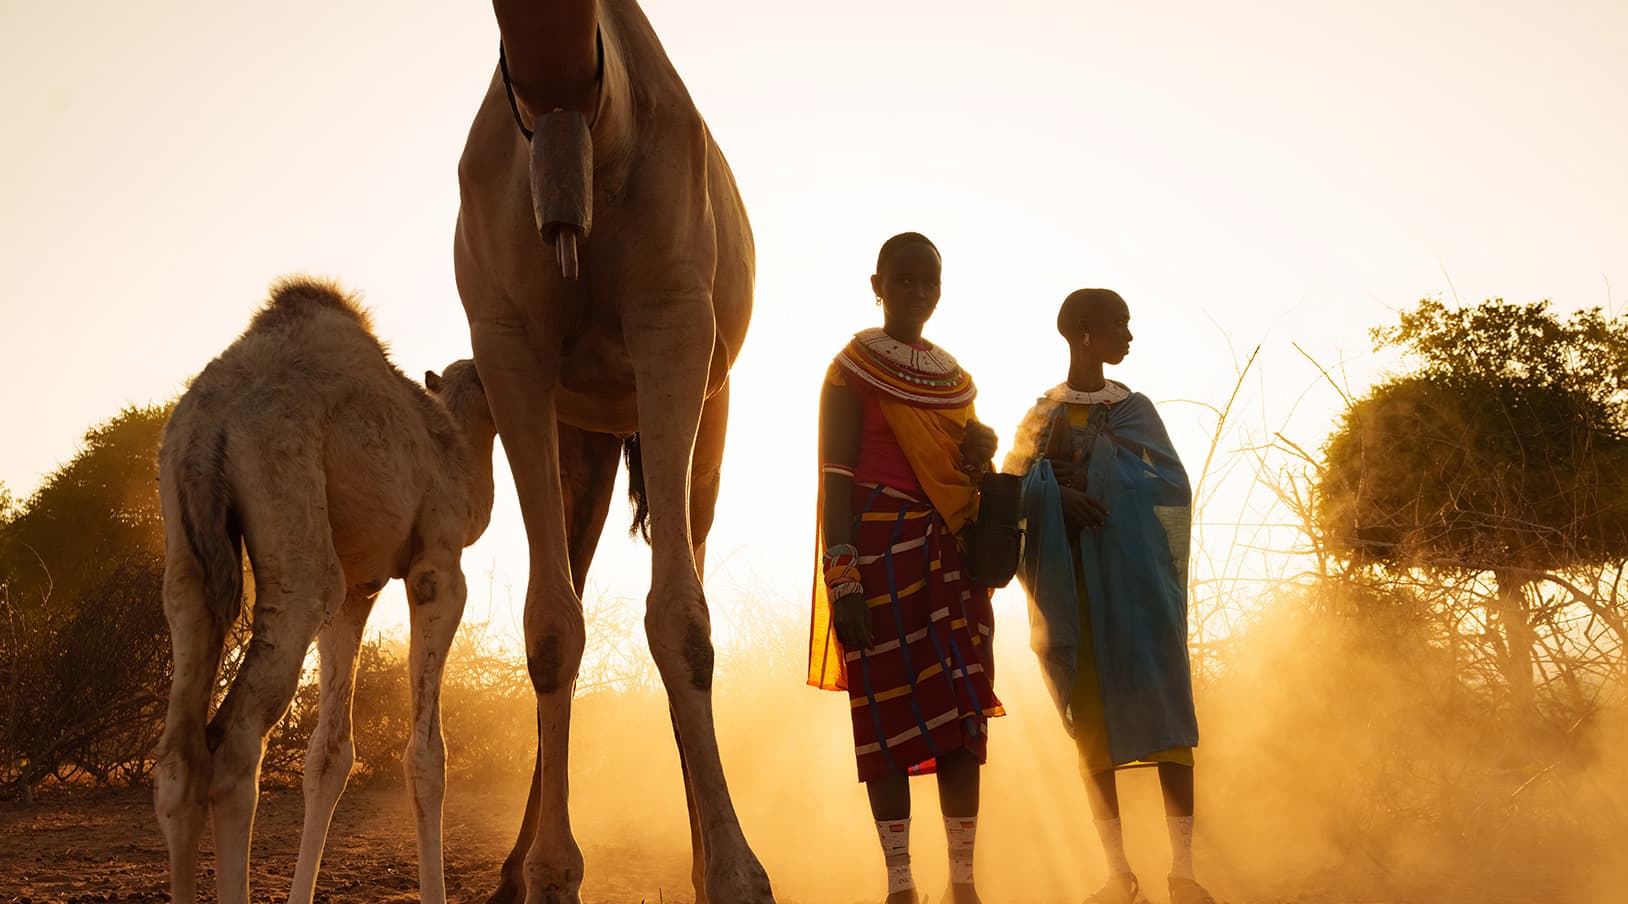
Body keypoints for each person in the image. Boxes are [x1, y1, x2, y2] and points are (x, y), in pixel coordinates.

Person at [808, 232, 1003, 904]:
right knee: (886, 723)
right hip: (877, 556)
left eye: (930, 281)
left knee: (961, 722)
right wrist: (844, 582)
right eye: (905, 280)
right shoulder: (852, 371)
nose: (918, 292)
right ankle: (900, 886)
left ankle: (964, 885)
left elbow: (963, 479)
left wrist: (979, 450)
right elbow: (835, 481)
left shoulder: (954, 380)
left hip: (950, 562)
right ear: (877, 285)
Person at [1003, 288, 1215, 904]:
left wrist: (1098, 474)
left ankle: (1183, 873)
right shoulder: (1042, 415)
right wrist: (1055, 494)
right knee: (1092, 727)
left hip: (1138, 588)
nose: (1129, 336)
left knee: (1168, 718)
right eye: (1120, 324)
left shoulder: (1134, 408)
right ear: (1084, 334)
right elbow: (1012, 490)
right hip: (1074, 591)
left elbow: (1172, 485)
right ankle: (1118, 874)